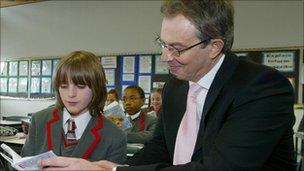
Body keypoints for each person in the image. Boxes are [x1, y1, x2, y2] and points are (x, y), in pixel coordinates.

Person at [39, 0, 296, 170]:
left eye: (177, 49)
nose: (165, 57)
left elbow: (220, 167)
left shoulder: (262, 88)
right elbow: (161, 147)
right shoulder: (176, 87)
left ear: (215, 46)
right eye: (163, 44)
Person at [21, 51, 127, 163]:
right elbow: (23, 164)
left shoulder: (114, 136)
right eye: (64, 86)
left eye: (81, 86)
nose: (71, 94)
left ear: (97, 88)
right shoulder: (39, 120)